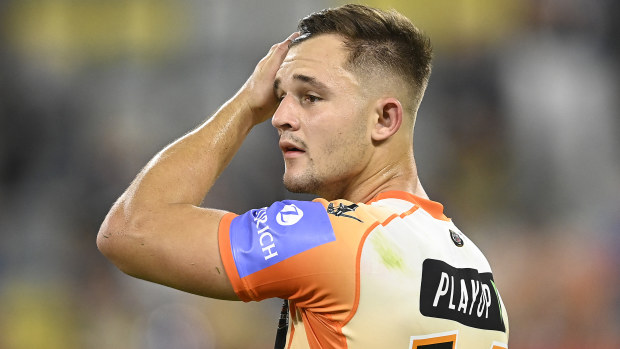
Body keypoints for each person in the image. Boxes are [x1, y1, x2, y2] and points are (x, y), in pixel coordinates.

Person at [97, 4, 509, 348]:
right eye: (278, 98)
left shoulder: (330, 236)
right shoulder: (478, 273)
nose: (278, 117)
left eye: (310, 97)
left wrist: (244, 106)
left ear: (384, 119)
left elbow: (130, 230)